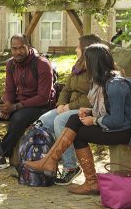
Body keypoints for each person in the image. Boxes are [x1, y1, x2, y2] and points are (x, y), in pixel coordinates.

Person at [23, 43, 131, 195]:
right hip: (117, 126)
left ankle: (83, 178)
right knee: (75, 120)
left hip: (127, 130)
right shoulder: (103, 81)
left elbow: (117, 120)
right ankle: (54, 163)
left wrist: (94, 120)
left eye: (87, 61)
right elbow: (109, 110)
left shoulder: (115, 85)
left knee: (77, 131)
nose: (84, 64)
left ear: (94, 63)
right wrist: (91, 111)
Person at [0, 35, 55, 170]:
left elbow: (43, 97)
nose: (18, 52)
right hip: (19, 103)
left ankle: (0, 155)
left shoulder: (42, 64)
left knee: (18, 117)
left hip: (40, 107)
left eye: (21, 48)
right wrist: (5, 106)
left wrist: (15, 107)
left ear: (28, 46)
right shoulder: (11, 64)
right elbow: (9, 90)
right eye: (14, 48)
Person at [35, 33, 102, 185]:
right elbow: (66, 89)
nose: (76, 50)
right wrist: (60, 104)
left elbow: (92, 97)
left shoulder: (97, 69)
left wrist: (69, 107)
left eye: (78, 47)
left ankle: (70, 166)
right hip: (69, 106)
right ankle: (47, 162)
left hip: (88, 109)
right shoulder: (77, 66)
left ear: (86, 49)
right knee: (43, 121)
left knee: (60, 121)